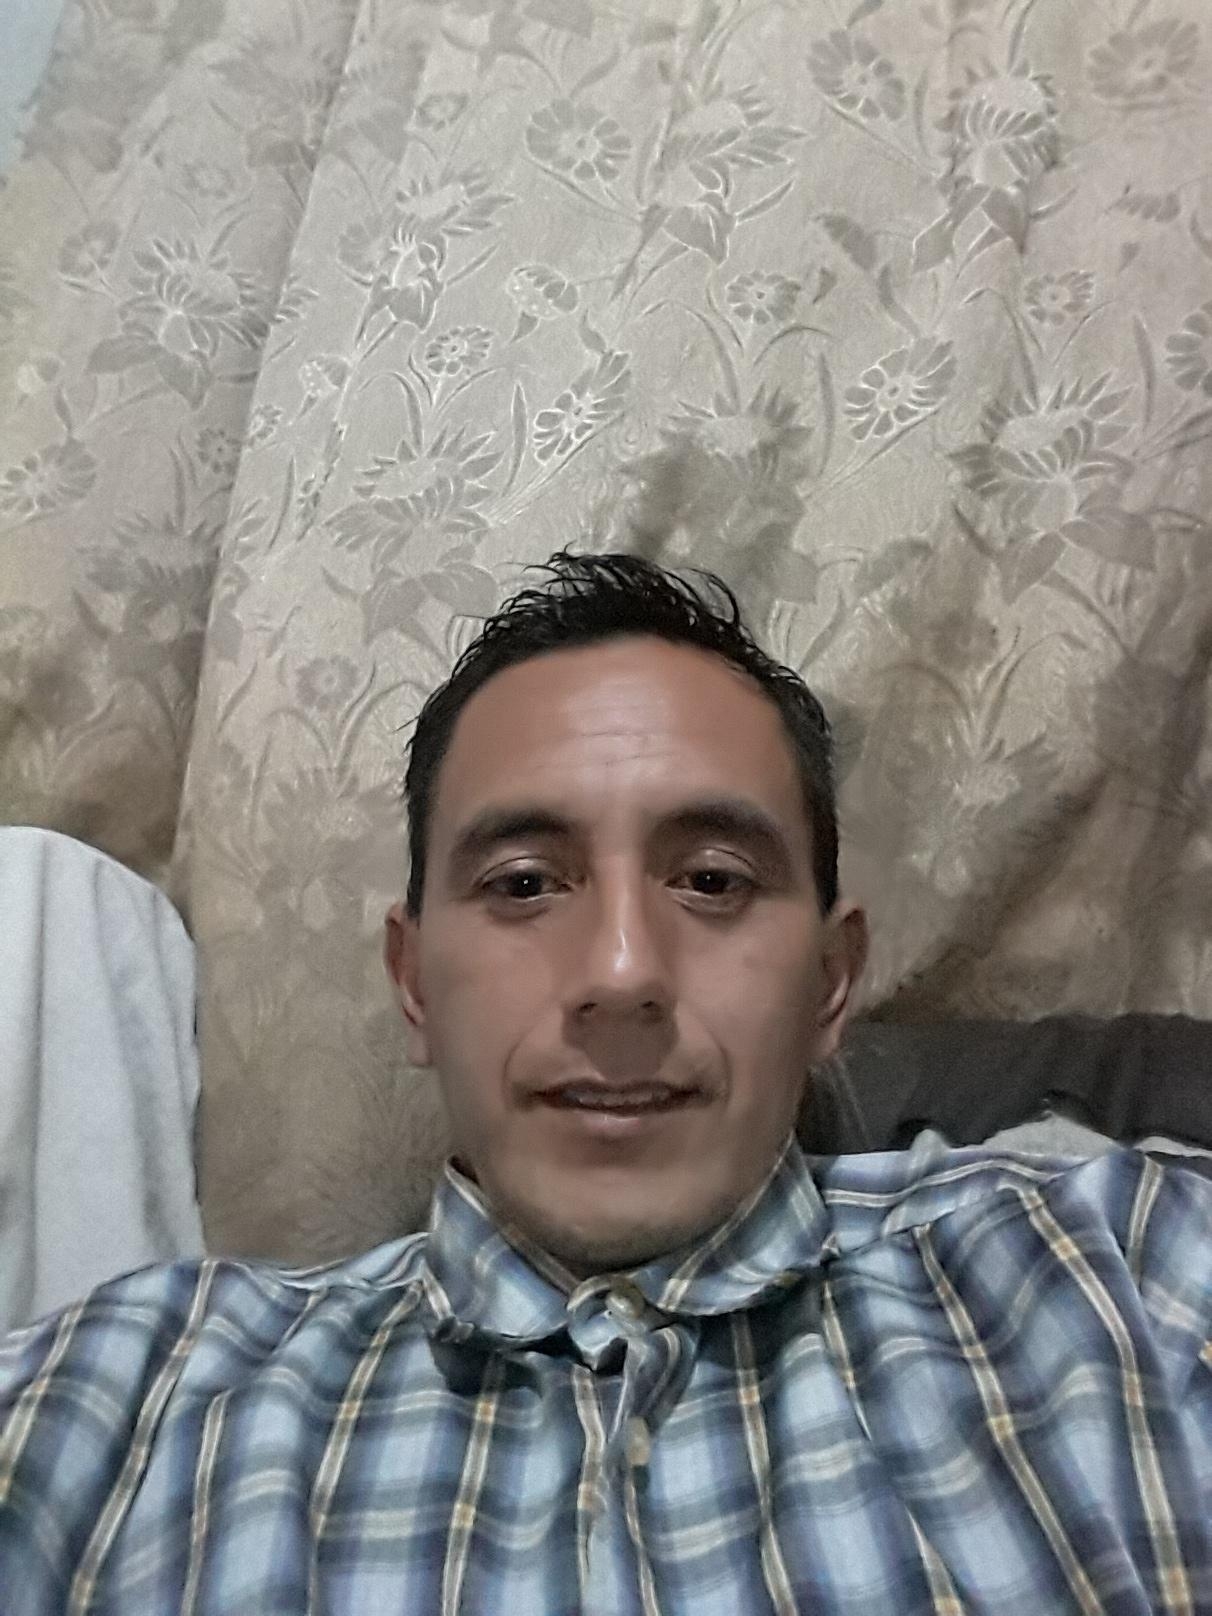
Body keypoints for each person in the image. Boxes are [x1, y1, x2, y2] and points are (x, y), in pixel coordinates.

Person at [1, 550, 1210, 1615]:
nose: (622, 973)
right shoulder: (126, 1393)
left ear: (830, 983)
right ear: (414, 984)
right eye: (525, 883)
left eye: (714, 879)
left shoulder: (1123, 1275)